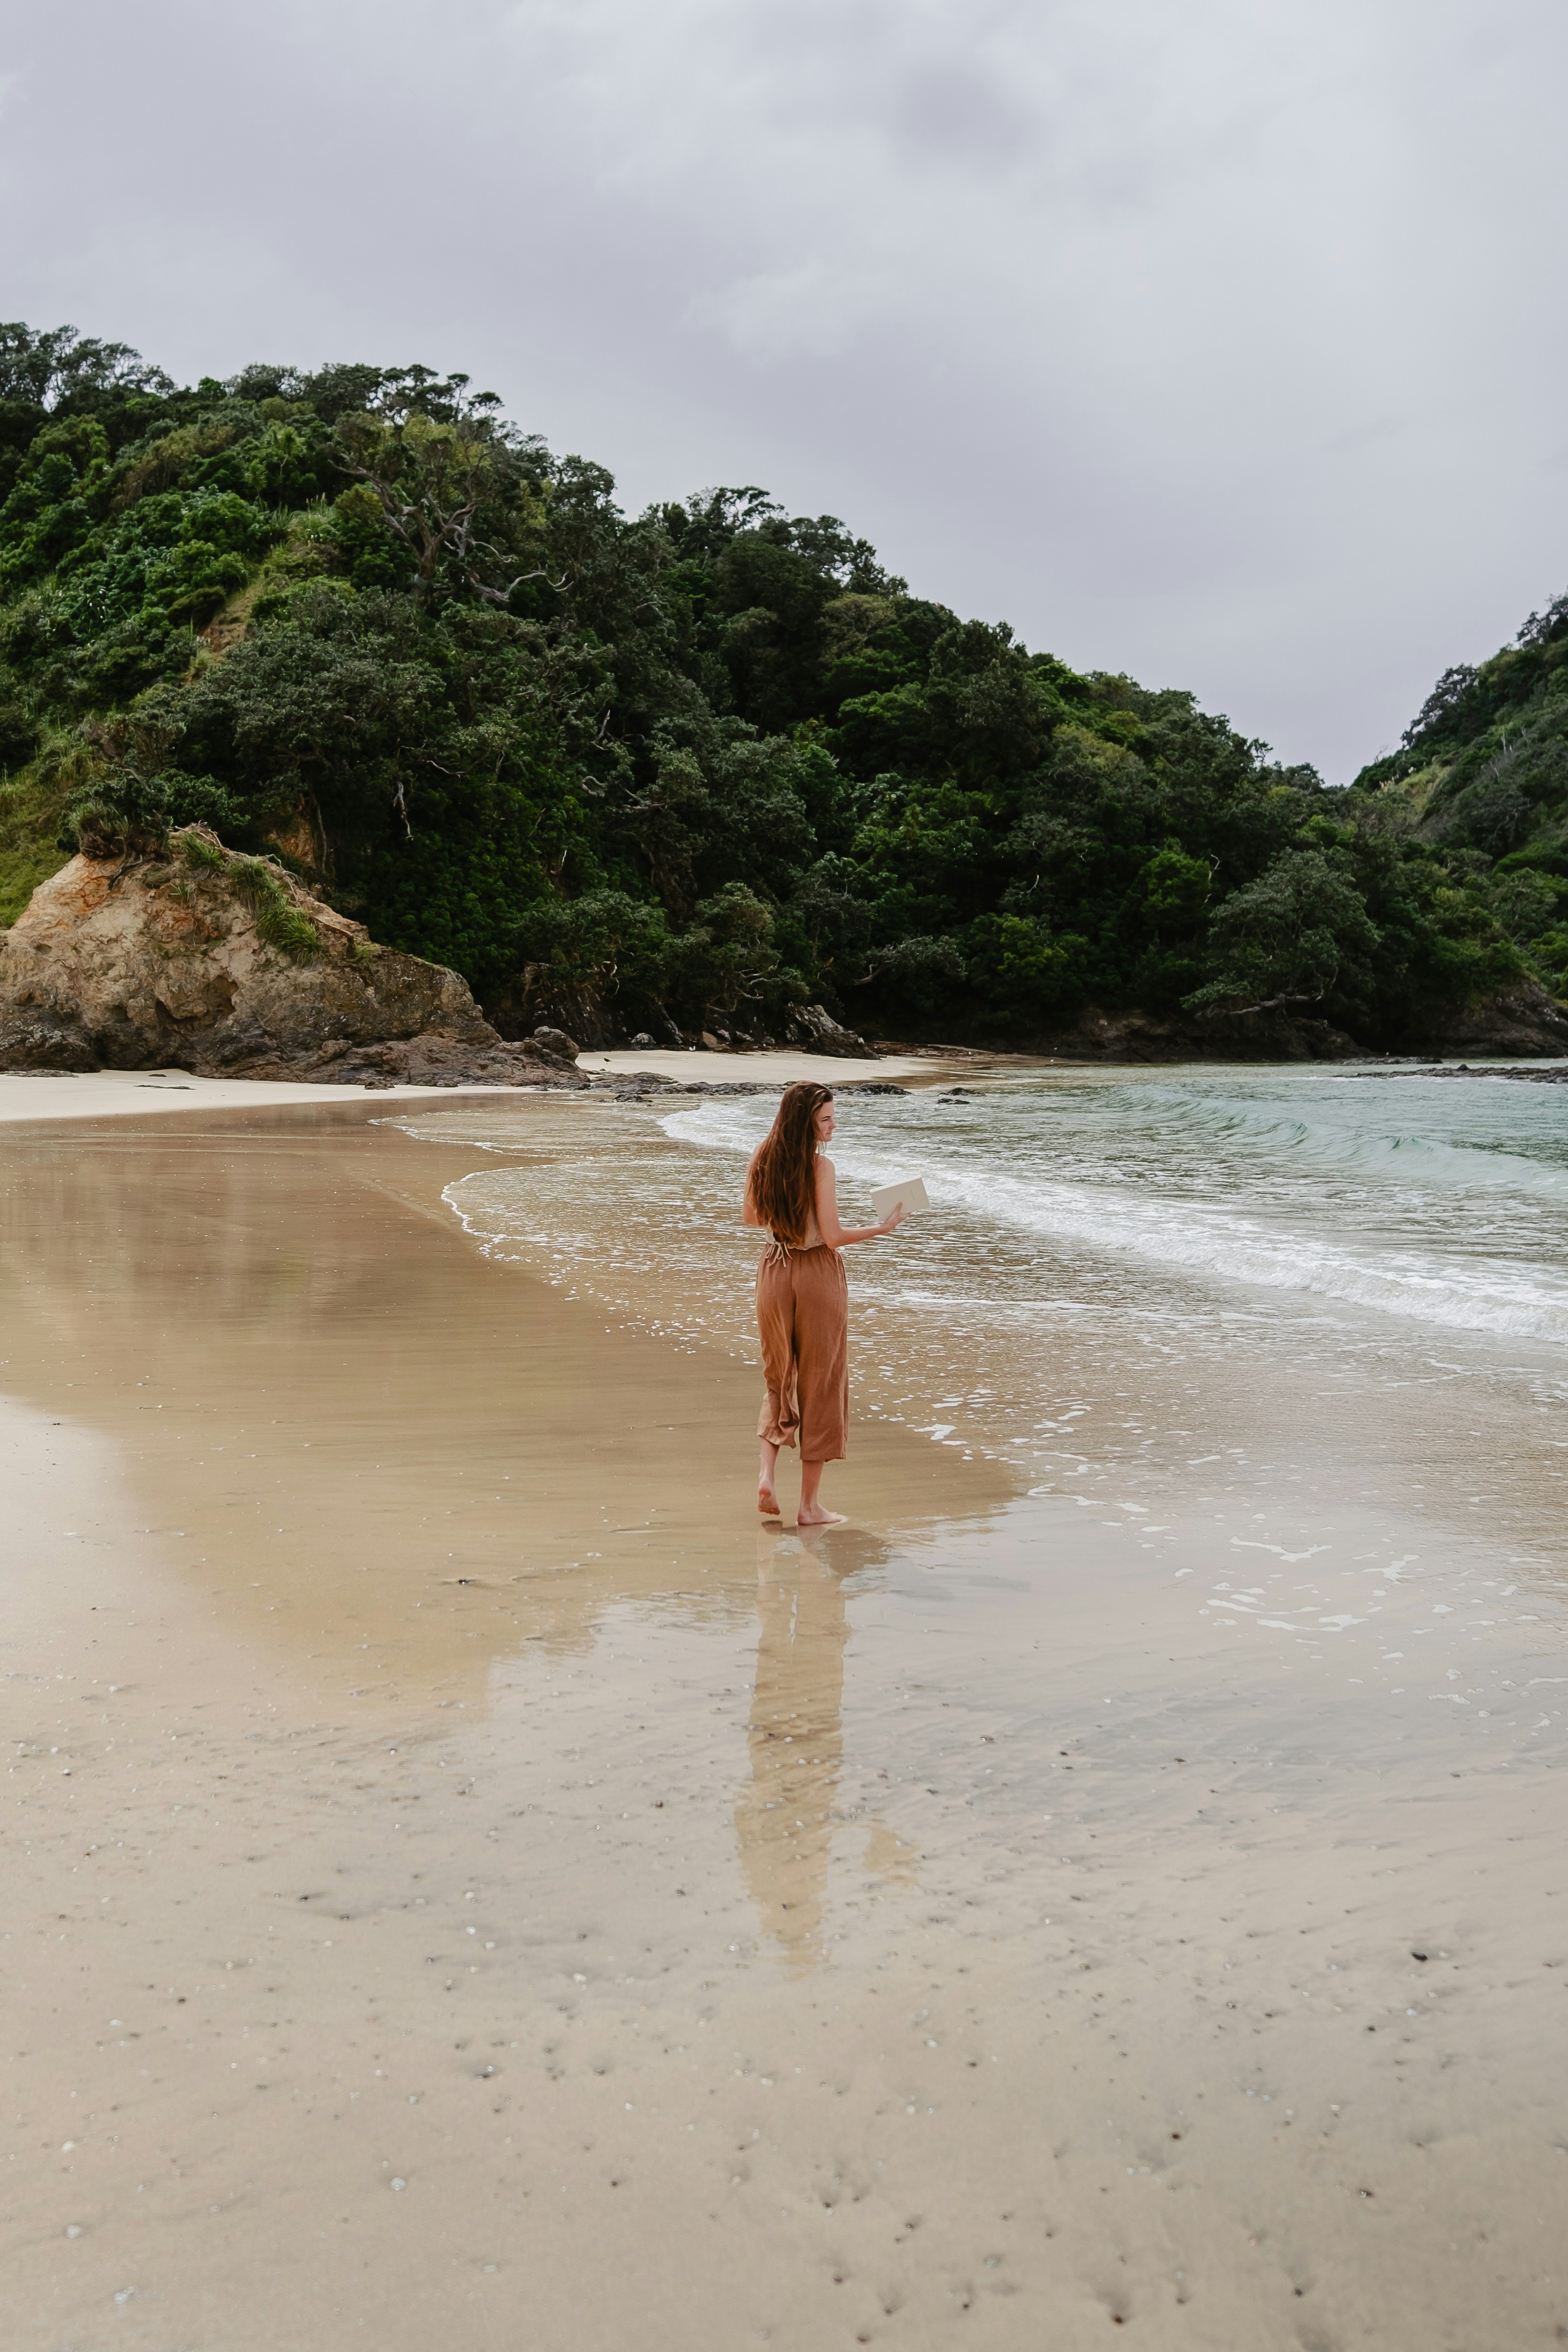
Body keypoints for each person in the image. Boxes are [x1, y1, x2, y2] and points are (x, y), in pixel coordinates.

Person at [742, 1081, 905, 1527]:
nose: (834, 1125)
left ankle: (766, 1475)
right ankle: (809, 1507)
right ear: (806, 1123)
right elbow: (832, 1237)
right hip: (816, 1273)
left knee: (778, 1375)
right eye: (826, 1119)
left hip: (774, 1269)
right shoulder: (820, 1166)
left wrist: (788, 1215)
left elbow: (751, 1217)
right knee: (822, 1381)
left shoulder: (764, 1153)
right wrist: (883, 1226)